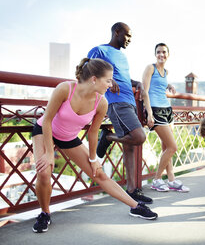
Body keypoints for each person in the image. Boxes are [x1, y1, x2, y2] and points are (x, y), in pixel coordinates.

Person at [31, 58, 157, 233]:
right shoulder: (65, 89)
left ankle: (136, 206)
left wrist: (93, 159)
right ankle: (45, 213)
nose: (111, 84)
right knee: (44, 172)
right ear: (94, 79)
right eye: (108, 80)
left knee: (99, 174)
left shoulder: (102, 102)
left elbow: (92, 132)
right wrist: (49, 153)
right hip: (45, 131)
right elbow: (47, 121)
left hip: (68, 138)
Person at [87, 22, 153, 204]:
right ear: (117, 32)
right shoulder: (99, 50)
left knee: (130, 147)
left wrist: (136, 83)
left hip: (129, 101)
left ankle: (132, 190)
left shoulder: (123, 57)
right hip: (116, 102)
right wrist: (108, 79)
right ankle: (107, 137)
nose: (130, 40)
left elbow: (123, 78)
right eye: (128, 36)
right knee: (139, 137)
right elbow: (88, 69)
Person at [142, 43, 189, 192]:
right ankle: (156, 180)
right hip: (155, 110)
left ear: (168, 54)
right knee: (172, 147)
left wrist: (168, 85)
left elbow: (159, 82)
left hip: (167, 110)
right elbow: (145, 91)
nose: (161, 54)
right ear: (155, 54)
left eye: (164, 52)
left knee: (166, 146)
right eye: (158, 52)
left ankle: (171, 180)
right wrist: (149, 113)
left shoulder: (165, 71)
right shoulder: (150, 68)